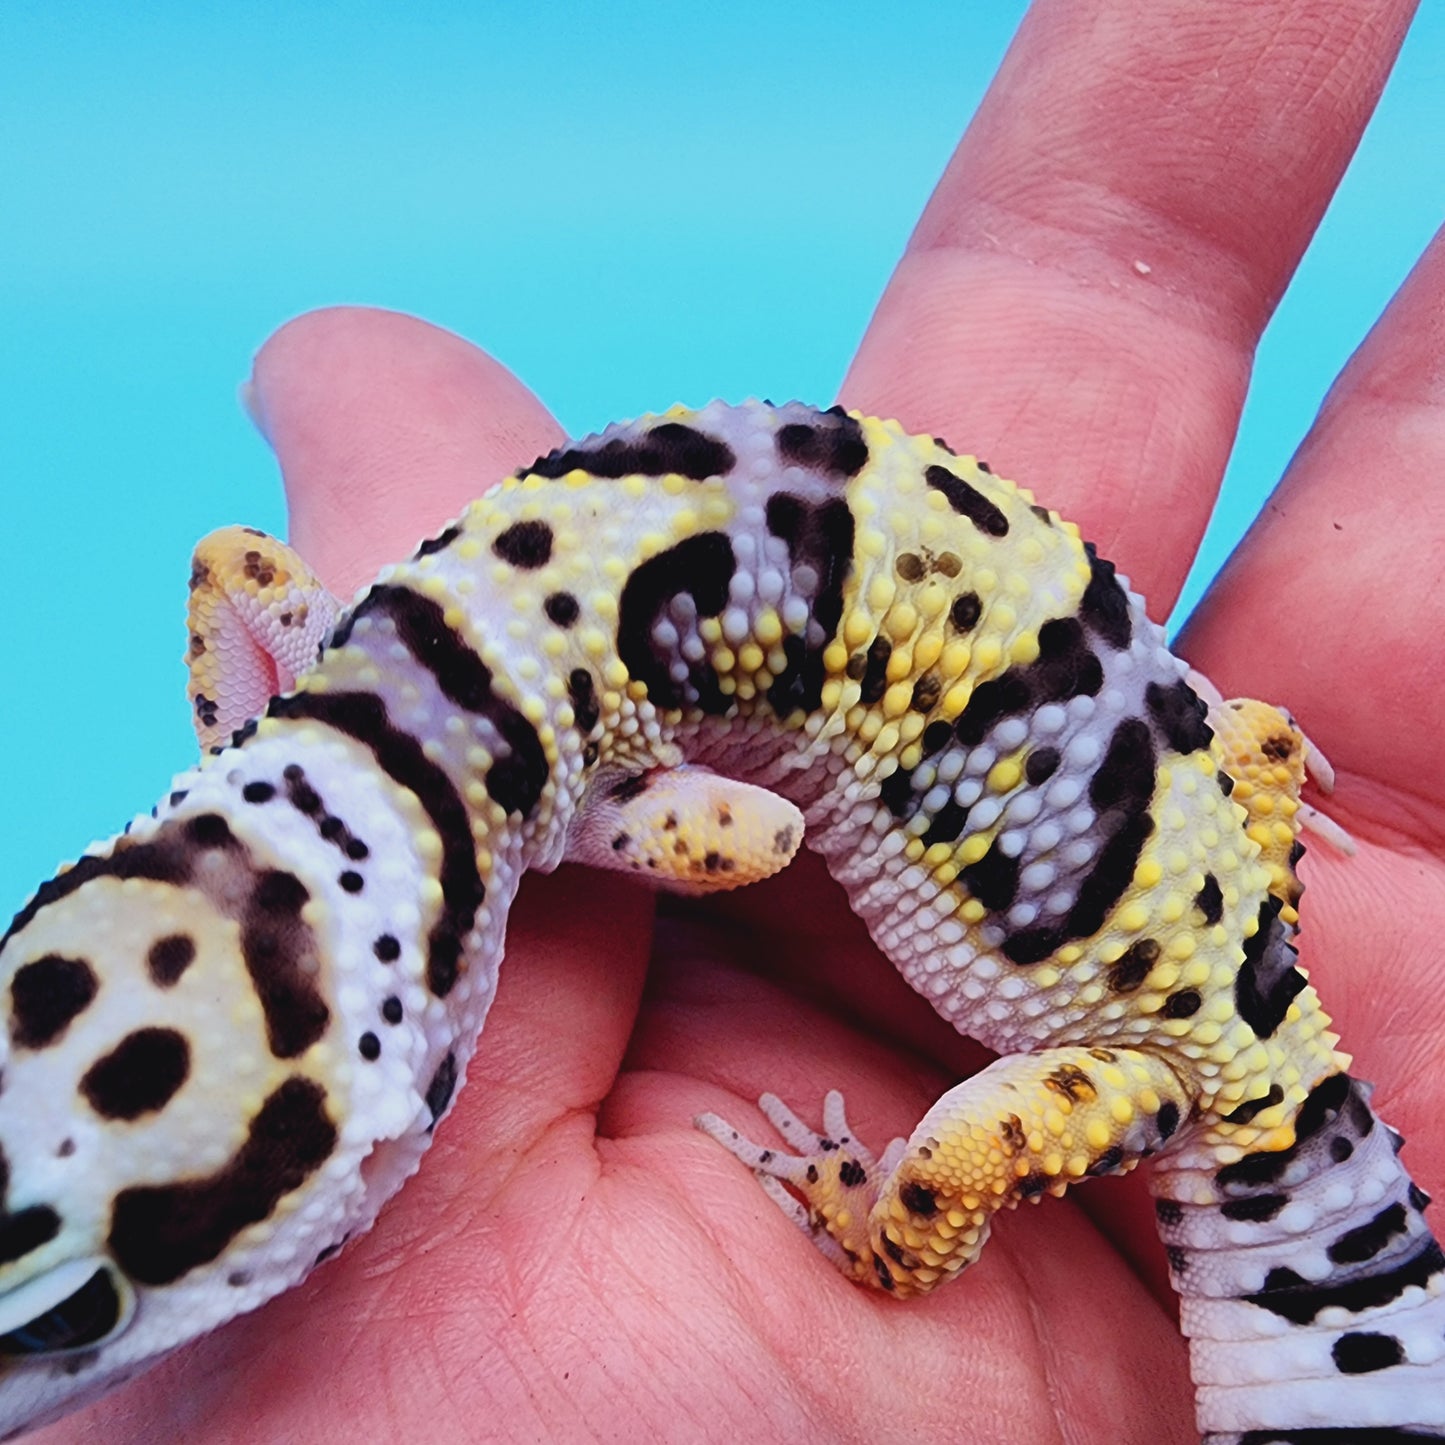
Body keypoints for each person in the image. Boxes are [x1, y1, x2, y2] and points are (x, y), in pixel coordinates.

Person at [40, 1, 1440, 1440]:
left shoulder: (587, 799)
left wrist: (502, 817)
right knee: (1233, 751)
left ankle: (889, 1246)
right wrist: (276, 770)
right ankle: (1244, 771)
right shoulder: (362, 652)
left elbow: (756, 834)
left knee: (954, 1154)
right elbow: (236, 568)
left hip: (1166, 1062)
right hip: (1161, 815)